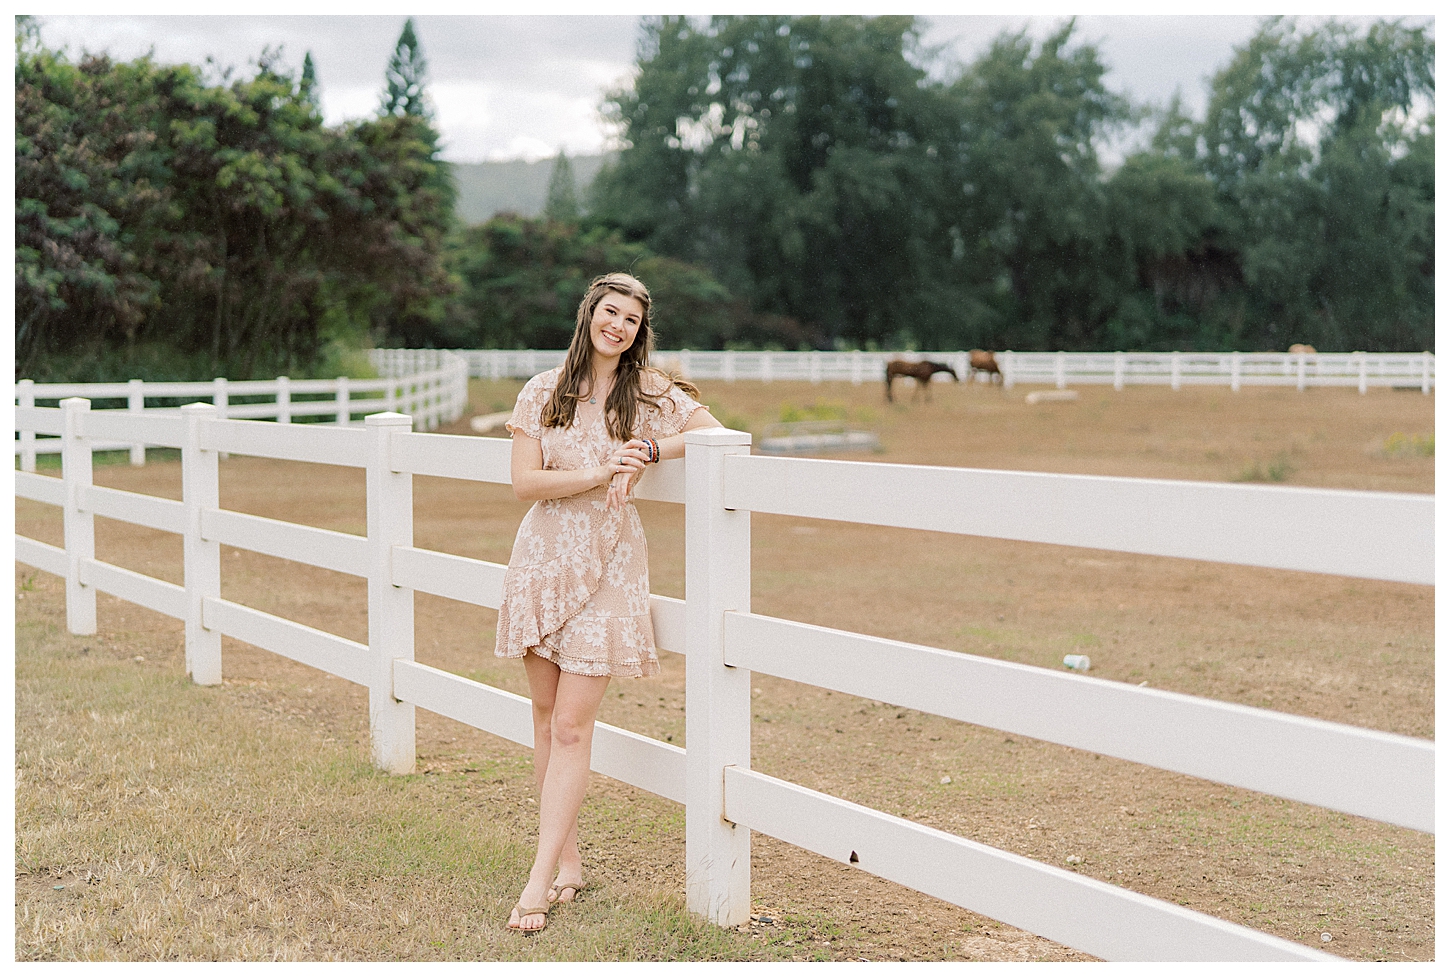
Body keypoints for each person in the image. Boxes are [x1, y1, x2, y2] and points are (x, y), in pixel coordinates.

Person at [496, 272, 722, 933]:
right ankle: (566, 861)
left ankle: (536, 883)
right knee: (543, 715)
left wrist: (652, 446)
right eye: (610, 311)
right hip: (542, 559)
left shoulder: (647, 391)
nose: (617, 325)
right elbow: (522, 481)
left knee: (571, 724)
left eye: (631, 319)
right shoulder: (545, 390)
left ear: (638, 332)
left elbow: (718, 434)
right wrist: (598, 471)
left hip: (612, 567)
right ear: (589, 313)